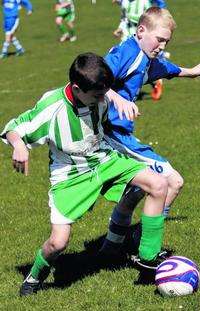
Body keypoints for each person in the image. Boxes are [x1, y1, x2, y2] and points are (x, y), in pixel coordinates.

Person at [1, 52, 172, 296]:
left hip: (103, 159)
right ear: (77, 88)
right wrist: (18, 145)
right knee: (57, 243)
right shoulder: (53, 107)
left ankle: (147, 260)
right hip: (71, 175)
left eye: (105, 93)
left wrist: (118, 99)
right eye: (98, 95)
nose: (103, 98)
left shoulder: (99, 91)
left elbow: (105, 98)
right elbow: (13, 128)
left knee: (158, 184)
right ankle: (36, 274)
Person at [100, 7, 200, 256]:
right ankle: (143, 242)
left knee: (137, 189)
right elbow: (95, 78)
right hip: (112, 136)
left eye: (166, 41)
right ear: (141, 30)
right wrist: (118, 99)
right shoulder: (126, 52)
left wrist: (191, 71)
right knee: (174, 181)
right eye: (159, 39)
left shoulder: (145, 56)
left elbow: (165, 68)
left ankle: (112, 246)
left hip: (119, 135)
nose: (161, 45)